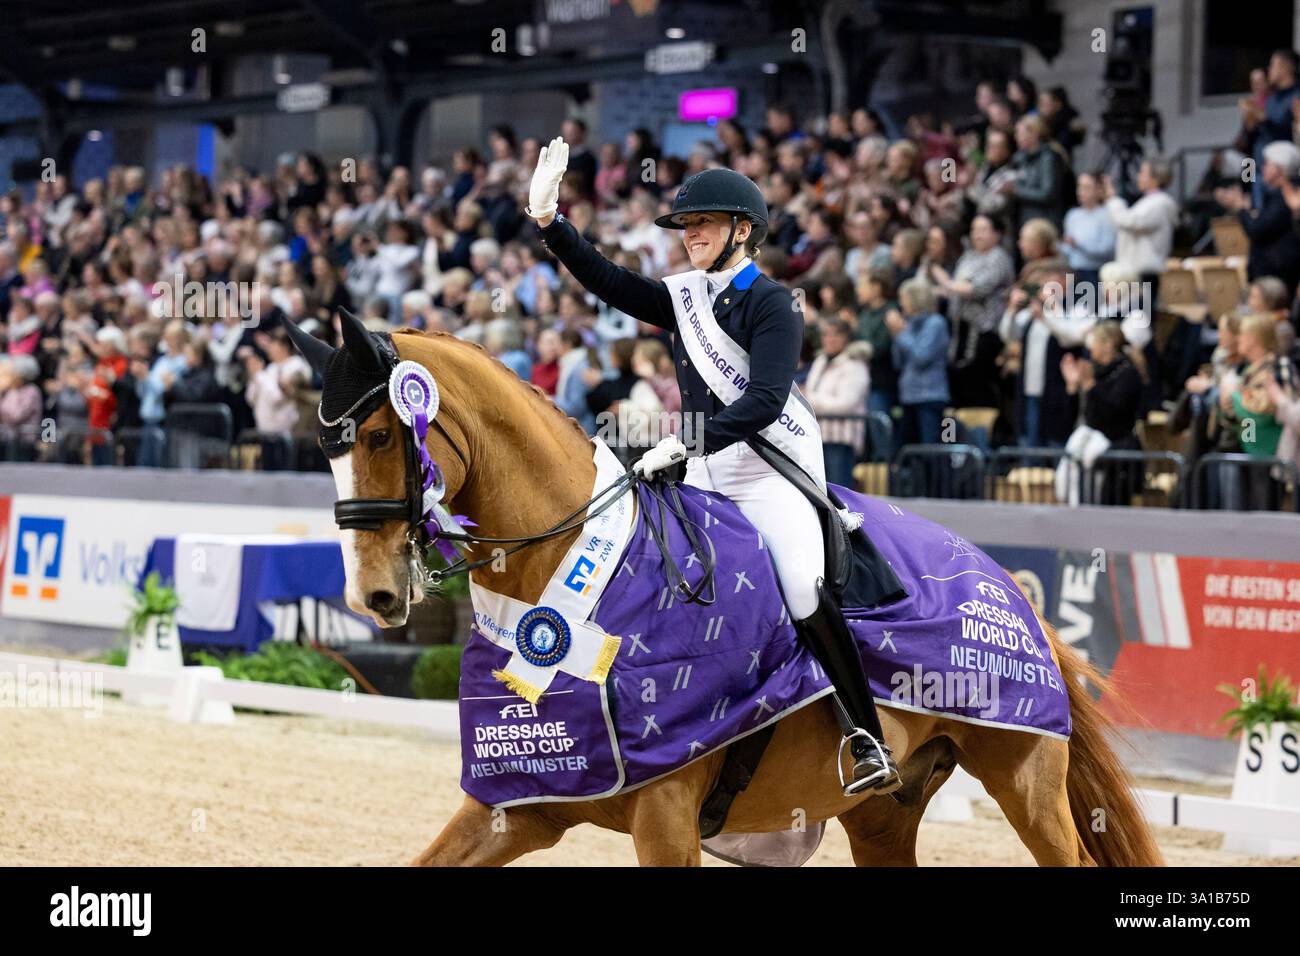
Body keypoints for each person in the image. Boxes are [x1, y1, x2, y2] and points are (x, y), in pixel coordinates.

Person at [526, 137, 902, 795]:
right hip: (702, 467)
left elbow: (762, 399)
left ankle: (864, 735)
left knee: (800, 585)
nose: (689, 235)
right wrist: (553, 225)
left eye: (700, 223)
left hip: (768, 469)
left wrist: (688, 444)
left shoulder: (772, 302)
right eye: (685, 226)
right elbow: (614, 284)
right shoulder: (684, 296)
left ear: (742, 230)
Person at [805, 317, 870, 487]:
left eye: (836, 335)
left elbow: (845, 404)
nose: (830, 339)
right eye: (826, 334)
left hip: (841, 438)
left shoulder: (855, 364)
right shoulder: (820, 361)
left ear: (847, 338)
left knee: (839, 492)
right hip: (817, 436)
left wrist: (810, 400)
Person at [888, 278, 950, 447]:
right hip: (908, 397)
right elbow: (898, 362)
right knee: (906, 451)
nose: (900, 303)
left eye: (903, 298)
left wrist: (900, 333)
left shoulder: (935, 323)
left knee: (930, 449)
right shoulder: (907, 325)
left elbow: (922, 357)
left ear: (916, 299)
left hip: (930, 397)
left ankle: (936, 475)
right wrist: (897, 334)